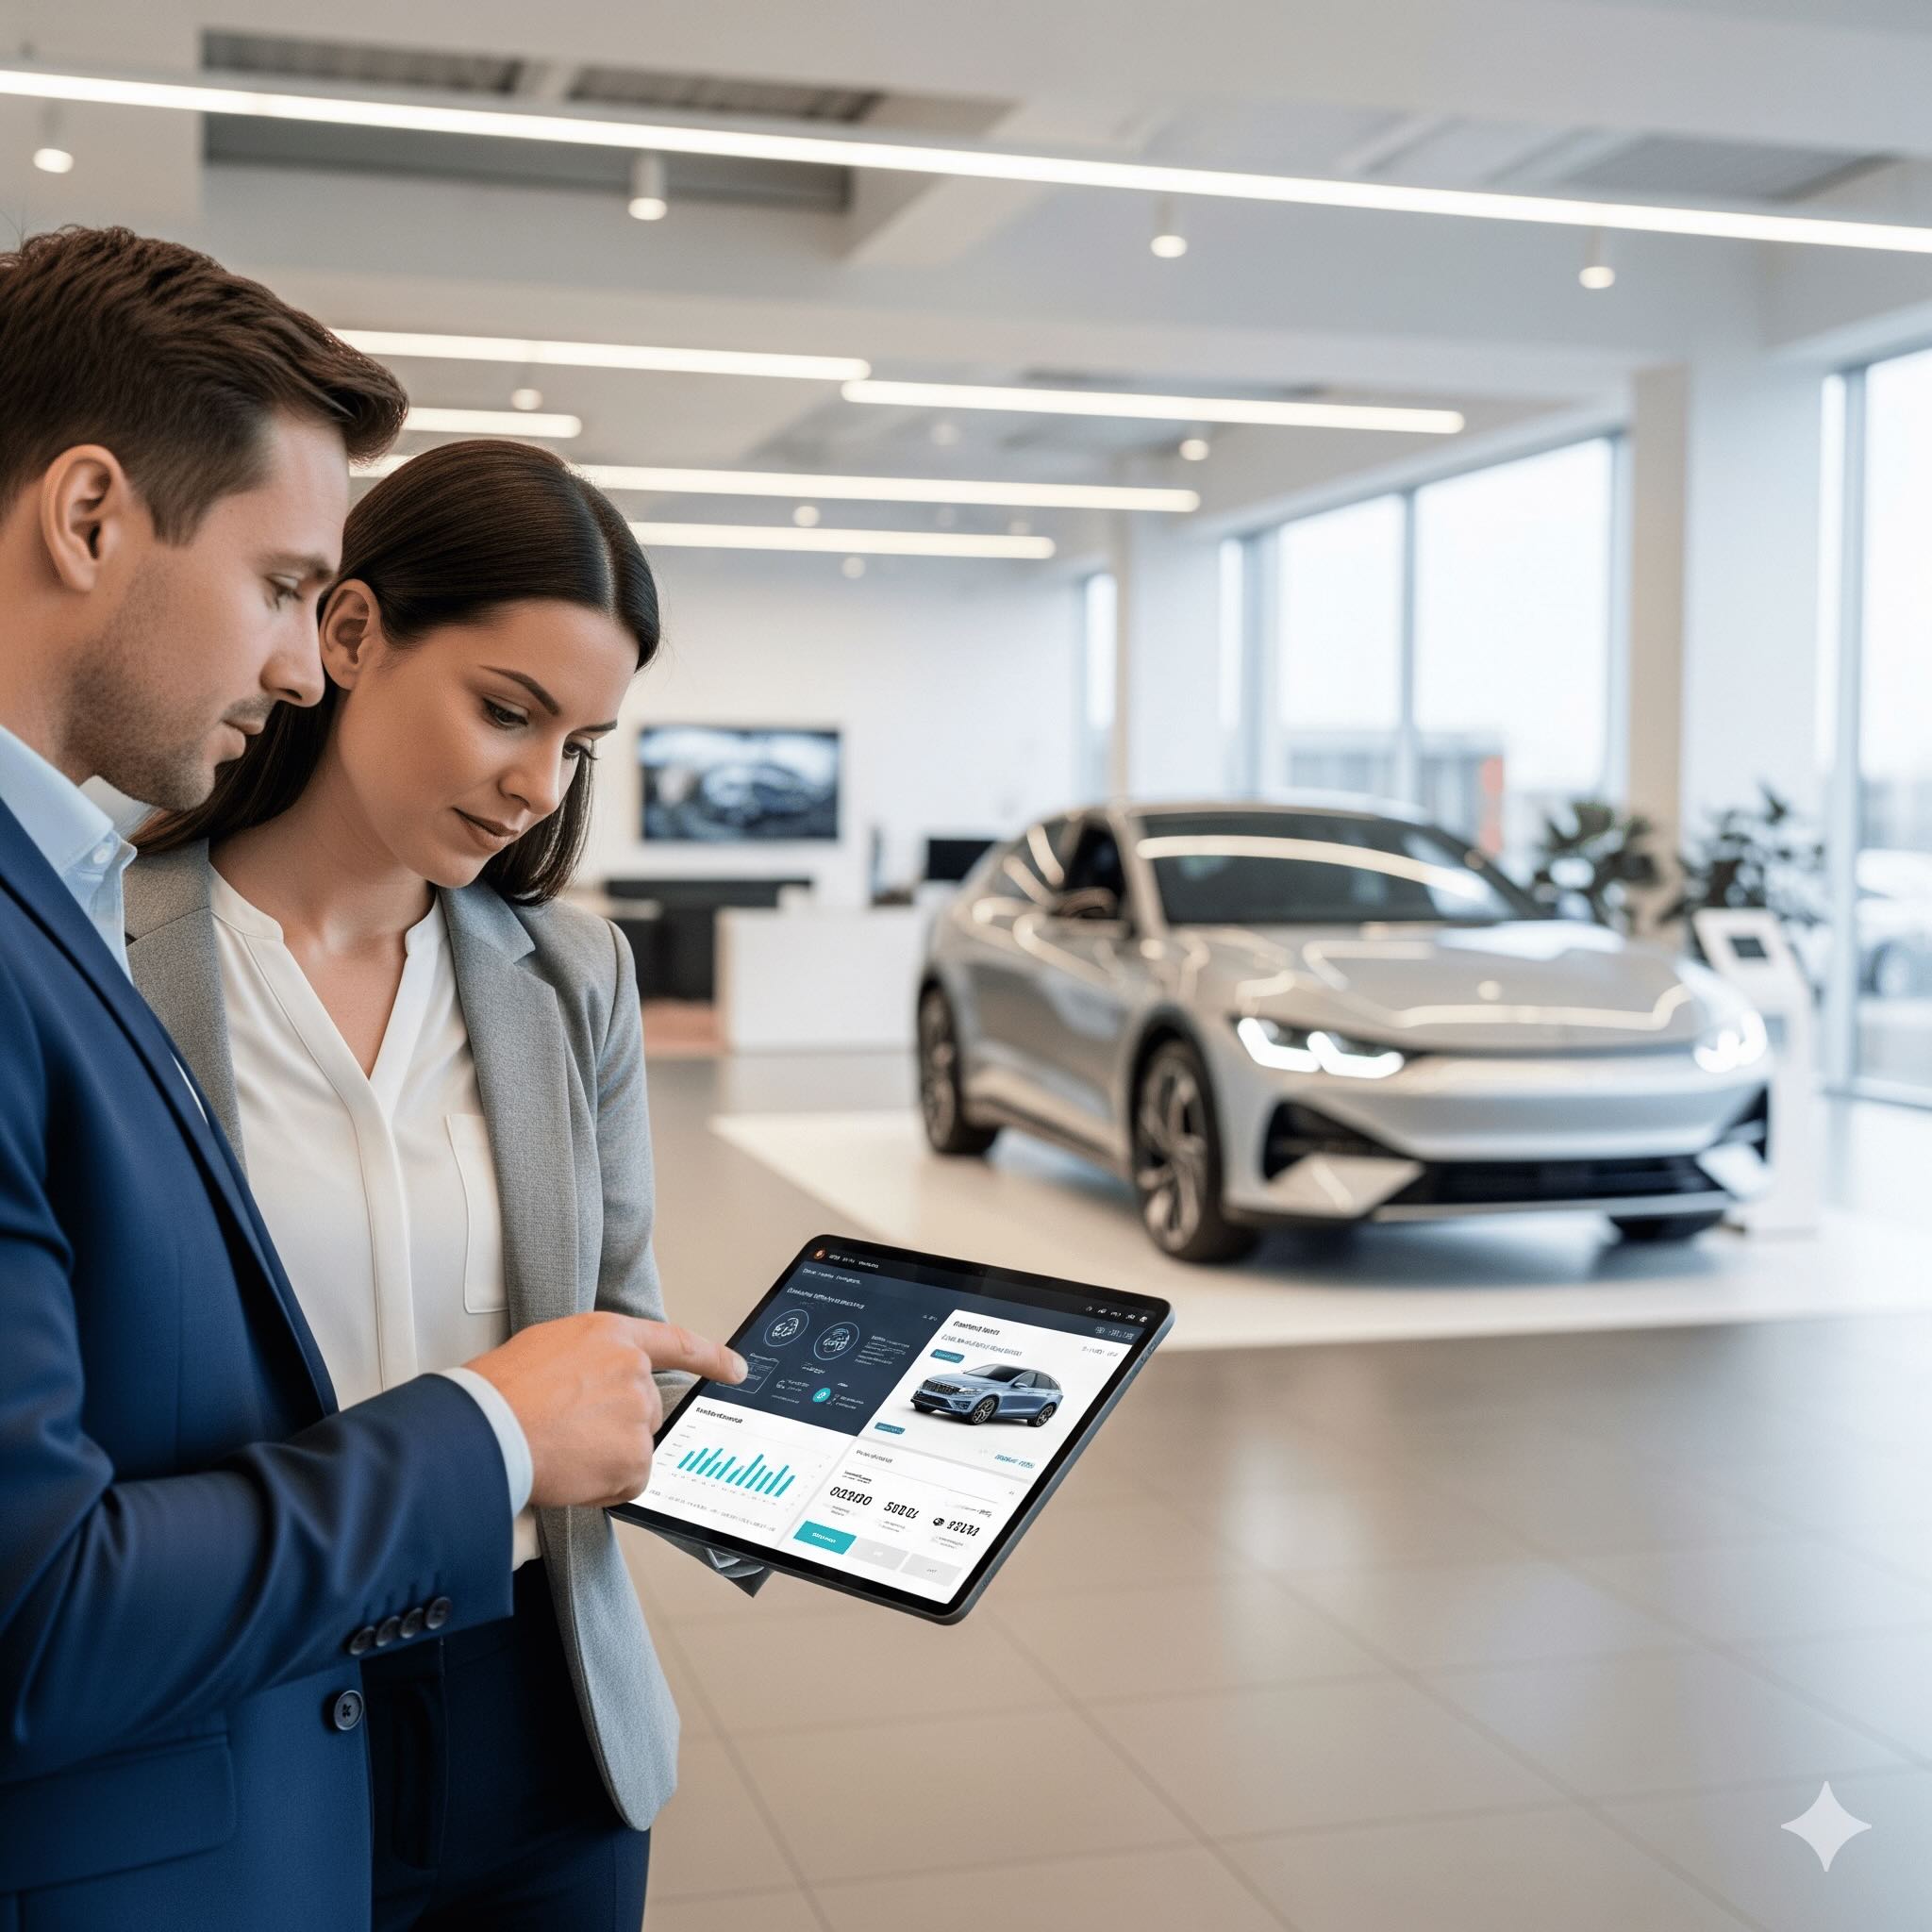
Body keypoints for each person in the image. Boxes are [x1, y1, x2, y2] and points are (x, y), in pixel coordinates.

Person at [0, 228, 746, 1932]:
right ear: (351, 634)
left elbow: (605, 1342)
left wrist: (801, 1461)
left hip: (537, 1716)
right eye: (505, 708)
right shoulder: (103, 940)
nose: (535, 782)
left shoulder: (570, 980)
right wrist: (494, 1429)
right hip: (239, 1699)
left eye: (578, 744)